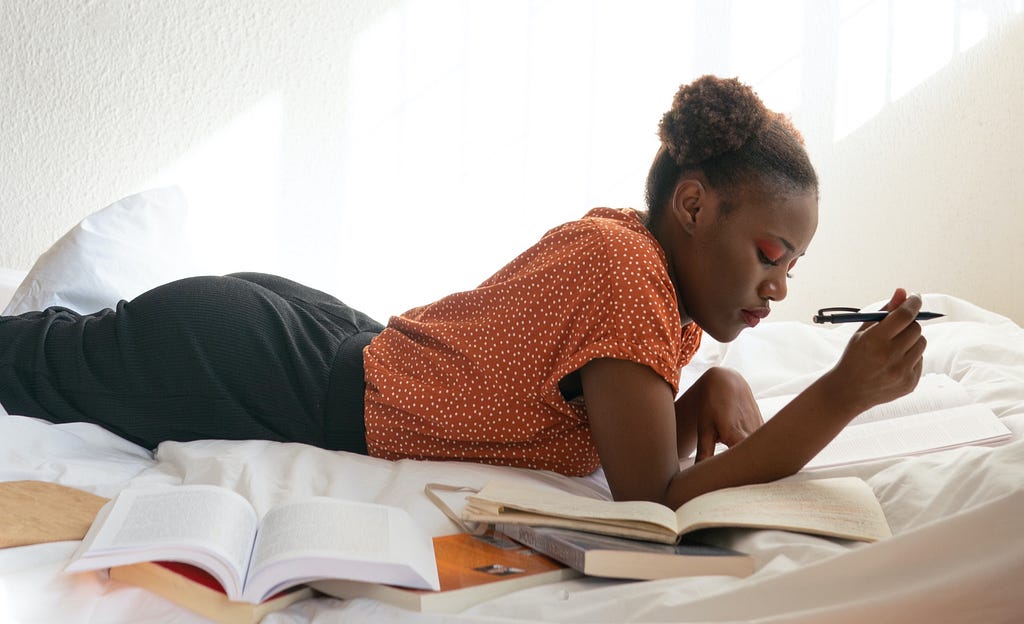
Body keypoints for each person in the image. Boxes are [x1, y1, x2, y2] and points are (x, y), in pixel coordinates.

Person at [0, 75, 925, 510]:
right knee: (28, 364)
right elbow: (652, 497)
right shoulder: (624, 276)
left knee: (58, 344)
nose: (781, 282)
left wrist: (702, 398)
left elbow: (598, 435)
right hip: (263, 365)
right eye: (771, 251)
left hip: (316, 340)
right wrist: (839, 394)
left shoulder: (634, 256)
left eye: (794, 265)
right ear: (691, 204)